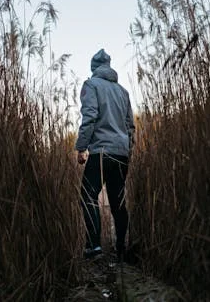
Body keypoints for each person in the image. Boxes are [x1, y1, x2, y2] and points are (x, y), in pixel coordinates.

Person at [75, 49, 135, 261]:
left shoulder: (91, 85)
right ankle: (121, 249)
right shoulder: (123, 91)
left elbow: (89, 117)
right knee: (118, 201)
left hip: (101, 151)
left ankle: (94, 247)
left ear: (94, 67)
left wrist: (81, 148)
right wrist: (128, 151)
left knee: (88, 196)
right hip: (121, 153)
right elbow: (130, 127)